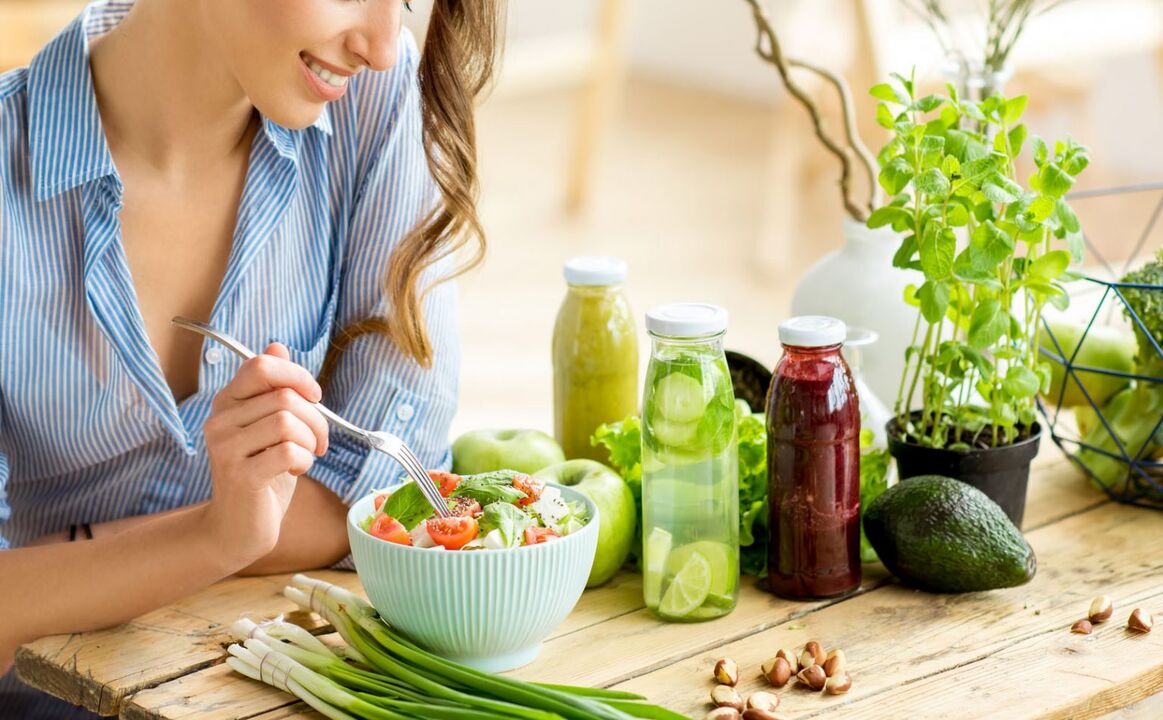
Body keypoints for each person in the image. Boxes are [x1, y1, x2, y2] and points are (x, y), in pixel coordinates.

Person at [0, 0, 501, 715]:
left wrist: (69, 554)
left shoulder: (375, 106)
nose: (383, 46)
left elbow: (383, 492)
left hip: (283, 671)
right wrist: (214, 535)